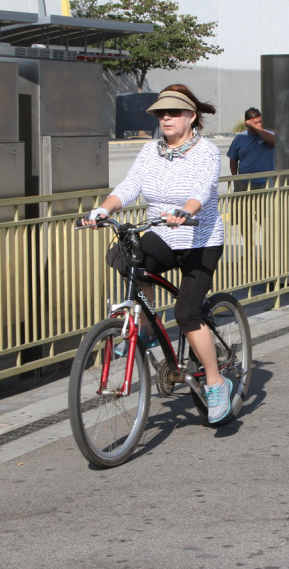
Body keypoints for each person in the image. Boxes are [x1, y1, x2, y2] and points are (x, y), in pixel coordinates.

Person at [82, 84, 232, 424]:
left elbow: (204, 188)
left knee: (188, 313)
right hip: (164, 234)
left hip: (200, 239)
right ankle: (147, 328)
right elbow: (129, 186)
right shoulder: (151, 151)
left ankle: (215, 381)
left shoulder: (206, 151)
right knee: (127, 256)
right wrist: (102, 210)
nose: (166, 118)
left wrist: (186, 210)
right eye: (161, 113)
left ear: (191, 117)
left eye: (174, 112)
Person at [227, 107, 276, 192]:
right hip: (244, 182)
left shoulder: (268, 135)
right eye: (255, 123)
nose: (259, 125)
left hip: (265, 182)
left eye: (260, 122)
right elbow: (233, 159)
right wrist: (235, 178)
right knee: (239, 205)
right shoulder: (240, 138)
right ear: (247, 124)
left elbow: (272, 141)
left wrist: (255, 127)